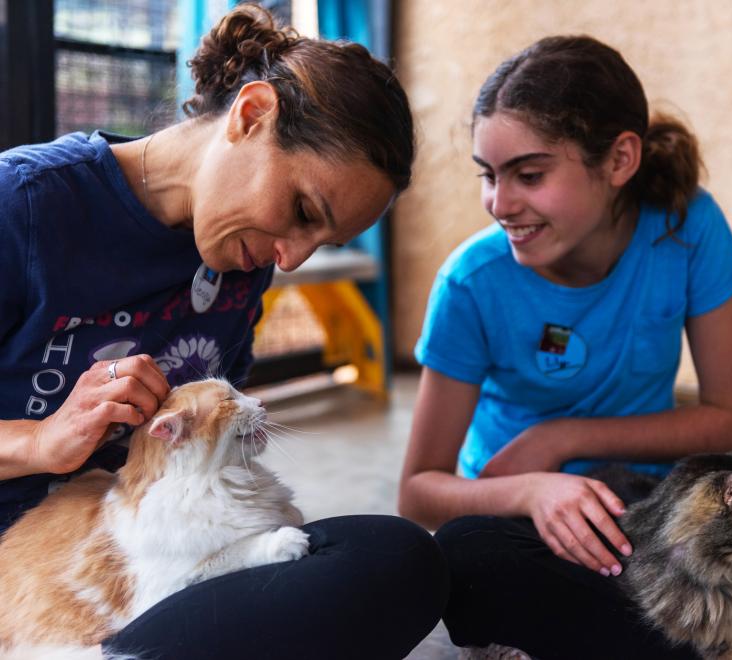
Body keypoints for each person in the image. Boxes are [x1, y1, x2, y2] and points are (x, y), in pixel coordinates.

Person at [0, 5, 447, 659]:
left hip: (142, 570)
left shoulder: (240, 270)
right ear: (250, 115)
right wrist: (40, 443)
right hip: (30, 584)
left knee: (398, 561)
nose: (291, 258)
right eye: (302, 210)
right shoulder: (25, 206)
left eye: (322, 240)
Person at [398, 35, 732, 658]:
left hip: (659, 510)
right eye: (488, 176)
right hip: (527, 517)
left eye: (529, 175)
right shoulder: (471, 283)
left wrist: (565, 437)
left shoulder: (685, 226)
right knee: (468, 556)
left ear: (619, 160)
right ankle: (706, 635)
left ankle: (656, 634)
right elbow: (420, 490)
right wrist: (534, 486)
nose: (500, 204)